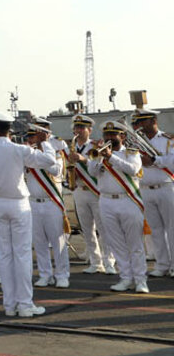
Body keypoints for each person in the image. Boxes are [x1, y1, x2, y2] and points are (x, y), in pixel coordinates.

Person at [0, 111, 61, 316]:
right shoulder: (20, 149)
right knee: (22, 255)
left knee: (5, 254)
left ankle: (9, 305)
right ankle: (24, 304)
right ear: (9, 130)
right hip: (18, 204)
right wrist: (46, 141)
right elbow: (50, 161)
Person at [90, 121, 149, 293]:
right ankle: (125, 278)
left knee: (135, 244)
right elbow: (92, 172)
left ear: (122, 137)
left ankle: (140, 280)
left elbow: (133, 169)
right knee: (117, 244)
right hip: (106, 201)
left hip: (128, 200)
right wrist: (99, 158)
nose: (109, 138)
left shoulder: (131, 153)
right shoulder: (98, 154)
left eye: (113, 135)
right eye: (106, 135)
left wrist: (111, 157)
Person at [67, 114, 115, 275]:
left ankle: (109, 261)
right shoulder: (71, 147)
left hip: (95, 191)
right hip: (79, 191)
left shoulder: (96, 146)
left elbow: (100, 169)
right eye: (76, 128)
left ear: (89, 130)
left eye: (82, 128)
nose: (78, 131)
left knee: (104, 228)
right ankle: (95, 262)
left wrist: (83, 159)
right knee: (87, 229)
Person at [24, 123, 70, 288]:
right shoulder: (28, 155)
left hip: (52, 202)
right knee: (39, 242)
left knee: (58, 241)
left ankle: (62, 274)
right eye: (29, 137)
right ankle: (45, 274)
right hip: (33, 203)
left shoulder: (55, 153)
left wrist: (43, 151)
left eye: (34, 136)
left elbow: (57, 171)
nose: (31, 140)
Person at [132, 109, 174, 279]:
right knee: (155, 230)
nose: (141, 125)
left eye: (144, 121)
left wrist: (155, 160)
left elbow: (172, 162)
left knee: (172, 229)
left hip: (165, 187)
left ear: (154, 120)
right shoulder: (136, 142)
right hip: (145, 189)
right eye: (139, 121)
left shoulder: (168, 140)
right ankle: (162, 264)